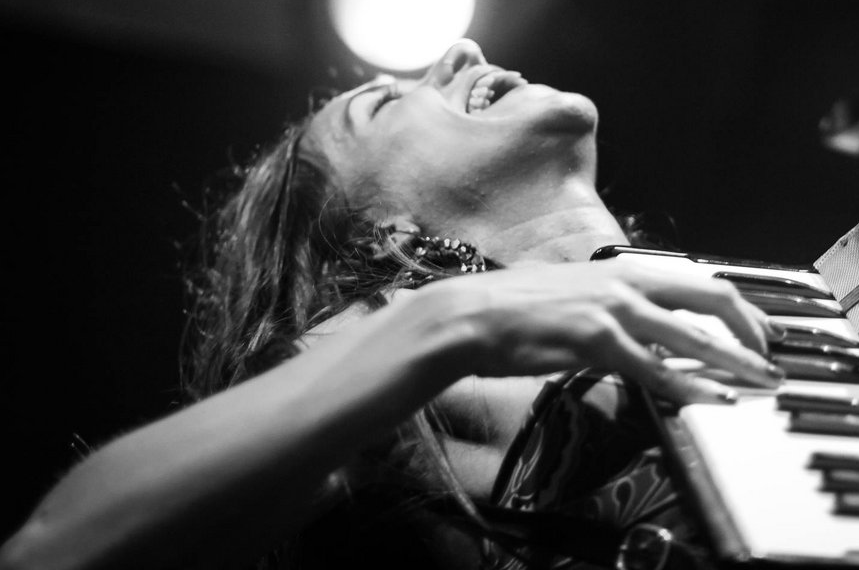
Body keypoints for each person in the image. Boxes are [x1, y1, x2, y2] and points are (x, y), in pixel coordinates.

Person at [1, 39, 785, 570]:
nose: (463, 49)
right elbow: (51, 551)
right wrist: (439, 323)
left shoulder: (757, 302)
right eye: (380, 106)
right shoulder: (383, 338)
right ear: (388, 231)